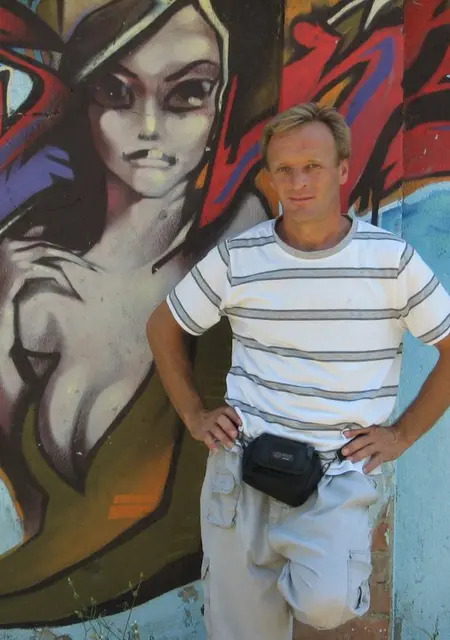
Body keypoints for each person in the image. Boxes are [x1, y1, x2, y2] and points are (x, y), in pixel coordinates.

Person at [0, 0, 281, 603]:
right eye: (117, 92)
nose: (149, 127)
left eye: (187, 94)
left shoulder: (243, 247)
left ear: (221, 103)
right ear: (85, 102)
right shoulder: (29, 279)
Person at [147, 103, 450, 639]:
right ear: (269, 177)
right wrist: (195, 414)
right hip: (241, 473)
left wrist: (402, 434)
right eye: (284, 169)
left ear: (342, 169)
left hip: (335, 475)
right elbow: (163, 327)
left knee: (327, 602)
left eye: (313, 166)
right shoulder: (240, 258)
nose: (299, 181)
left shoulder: (390, 261)